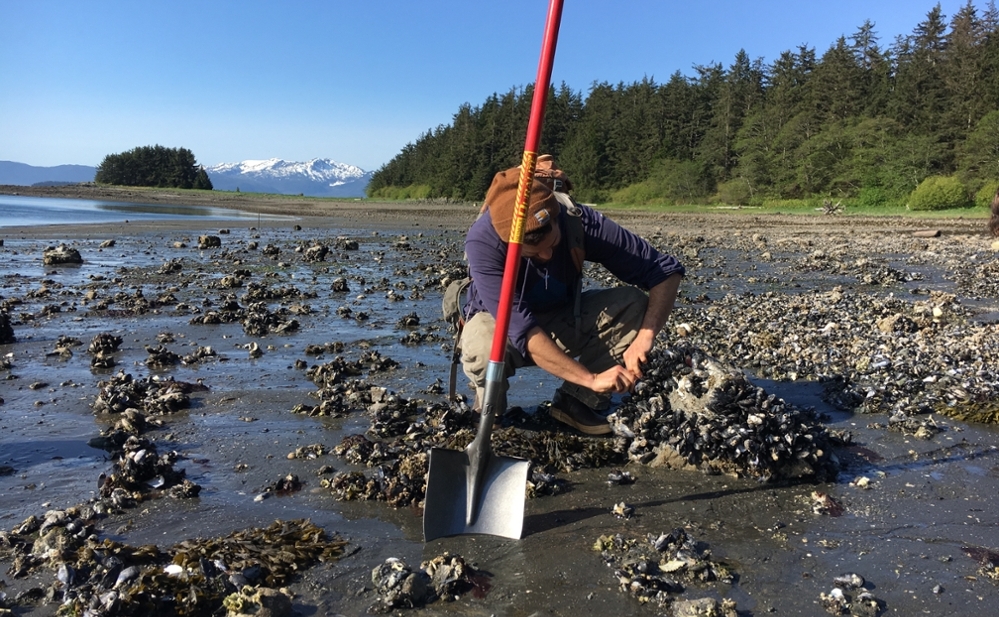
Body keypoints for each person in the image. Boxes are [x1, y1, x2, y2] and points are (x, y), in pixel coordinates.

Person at [459, 157, 685, 435]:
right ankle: (489, 410)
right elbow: (523, 330)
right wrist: (591, 378)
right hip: (501, 329)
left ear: (556, 218)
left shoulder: (578, 221)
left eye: (551, 244)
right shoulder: (483, 242)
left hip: (562, 320)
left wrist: (644, 338)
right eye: (532, 253)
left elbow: (665, 271)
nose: (546, 256)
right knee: (482, 342)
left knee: (631, 304)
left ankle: (576, 402)